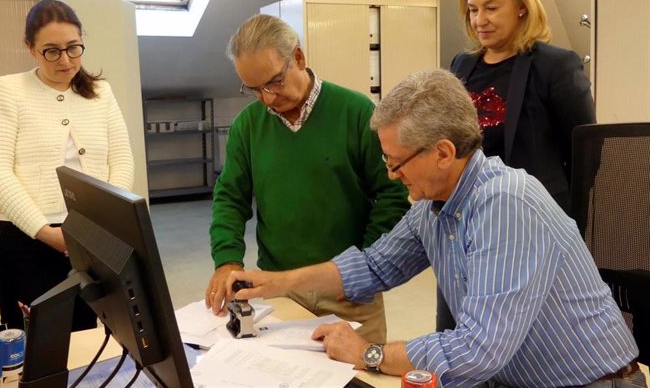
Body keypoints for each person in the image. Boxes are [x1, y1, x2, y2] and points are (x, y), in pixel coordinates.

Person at [227, 69, 643, 388]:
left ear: (443, 153)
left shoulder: (505, 203)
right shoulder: (435, 204)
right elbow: (373, 267)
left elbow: (477, 351)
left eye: (396, 162)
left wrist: (368, 353)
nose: (391, 175)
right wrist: (275, 284)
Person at [205, 14, 409, 342]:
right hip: (279, 288)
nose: (268, 98)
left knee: (358, 377)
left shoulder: (356, 112)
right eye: (254, 89)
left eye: (274, 82)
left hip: (348, 293)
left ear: (298, 58)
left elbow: (392, 195)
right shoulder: (248, 125)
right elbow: (230, 197)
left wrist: (361, 269)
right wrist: (227, 260)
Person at [438, 0, 597, 333]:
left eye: (491, 7)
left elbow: (586, 159)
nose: (479, 20)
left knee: (516, 340)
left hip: (529, 231)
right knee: (460, 334)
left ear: (522, 6)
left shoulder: (556, 65)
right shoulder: (462, 65)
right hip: (468, 230)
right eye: (473, 9)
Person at [0, 0, 134, 331]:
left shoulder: (101, 93)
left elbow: (120, 159)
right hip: (28, 238)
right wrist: (45, 232)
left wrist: (102, 223)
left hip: (93, 236)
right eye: (52, 50)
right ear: (30, 48)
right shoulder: (8, 89)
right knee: (36, 344)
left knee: (94, 339)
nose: (65, 60)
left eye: (74, 48)